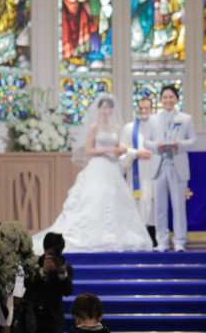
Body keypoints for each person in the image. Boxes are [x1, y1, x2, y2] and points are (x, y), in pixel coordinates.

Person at [32, 95, 153, 253]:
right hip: (97, 166)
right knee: (94, 199)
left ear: (112, 110)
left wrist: (119, 151)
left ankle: (114, 236)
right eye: (104, 107)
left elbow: (118, 148)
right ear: (99, 109)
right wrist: (108, 150)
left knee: (115, 200)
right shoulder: (94, 127)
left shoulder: (117, 128)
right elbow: (88, 150)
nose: (106, 110)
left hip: (112, 167)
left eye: (109, 108)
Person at [144, 85, 196, 251]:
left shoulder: (186, 119)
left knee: (179, 206)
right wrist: (157, 146)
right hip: (159, 165)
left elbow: (193, 141)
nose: (168, 100)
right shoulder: (152, 119)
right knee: (159, 206)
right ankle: (162, 242)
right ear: (161, 100)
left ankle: (180, 241)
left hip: (177, 164)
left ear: (176, 99)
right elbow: (146, 142)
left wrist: (178, 145)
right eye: (165, 97)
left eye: (171, 97)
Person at [18, 232, 73, 333]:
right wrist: (42, 271)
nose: (54, 257)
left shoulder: (65, 267)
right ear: (45, 250)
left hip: (52, 317)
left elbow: (68, 291)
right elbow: (28, 287)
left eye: (57, 254)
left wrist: (62, 274)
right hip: (31, 314)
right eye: (51, 254)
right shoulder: (34, 264)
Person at [119, 97, 156, 246]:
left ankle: (154, 239)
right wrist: (135, 153)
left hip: (154, 172)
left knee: (153, 206)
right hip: (136, 172)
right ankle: (136, 240)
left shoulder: (158, 127)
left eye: (147, 108)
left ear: (152, 109)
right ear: (138, 110)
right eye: (141, 109)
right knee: (136, 204)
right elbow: (122, 150)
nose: (144, 111)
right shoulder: (129, 128)